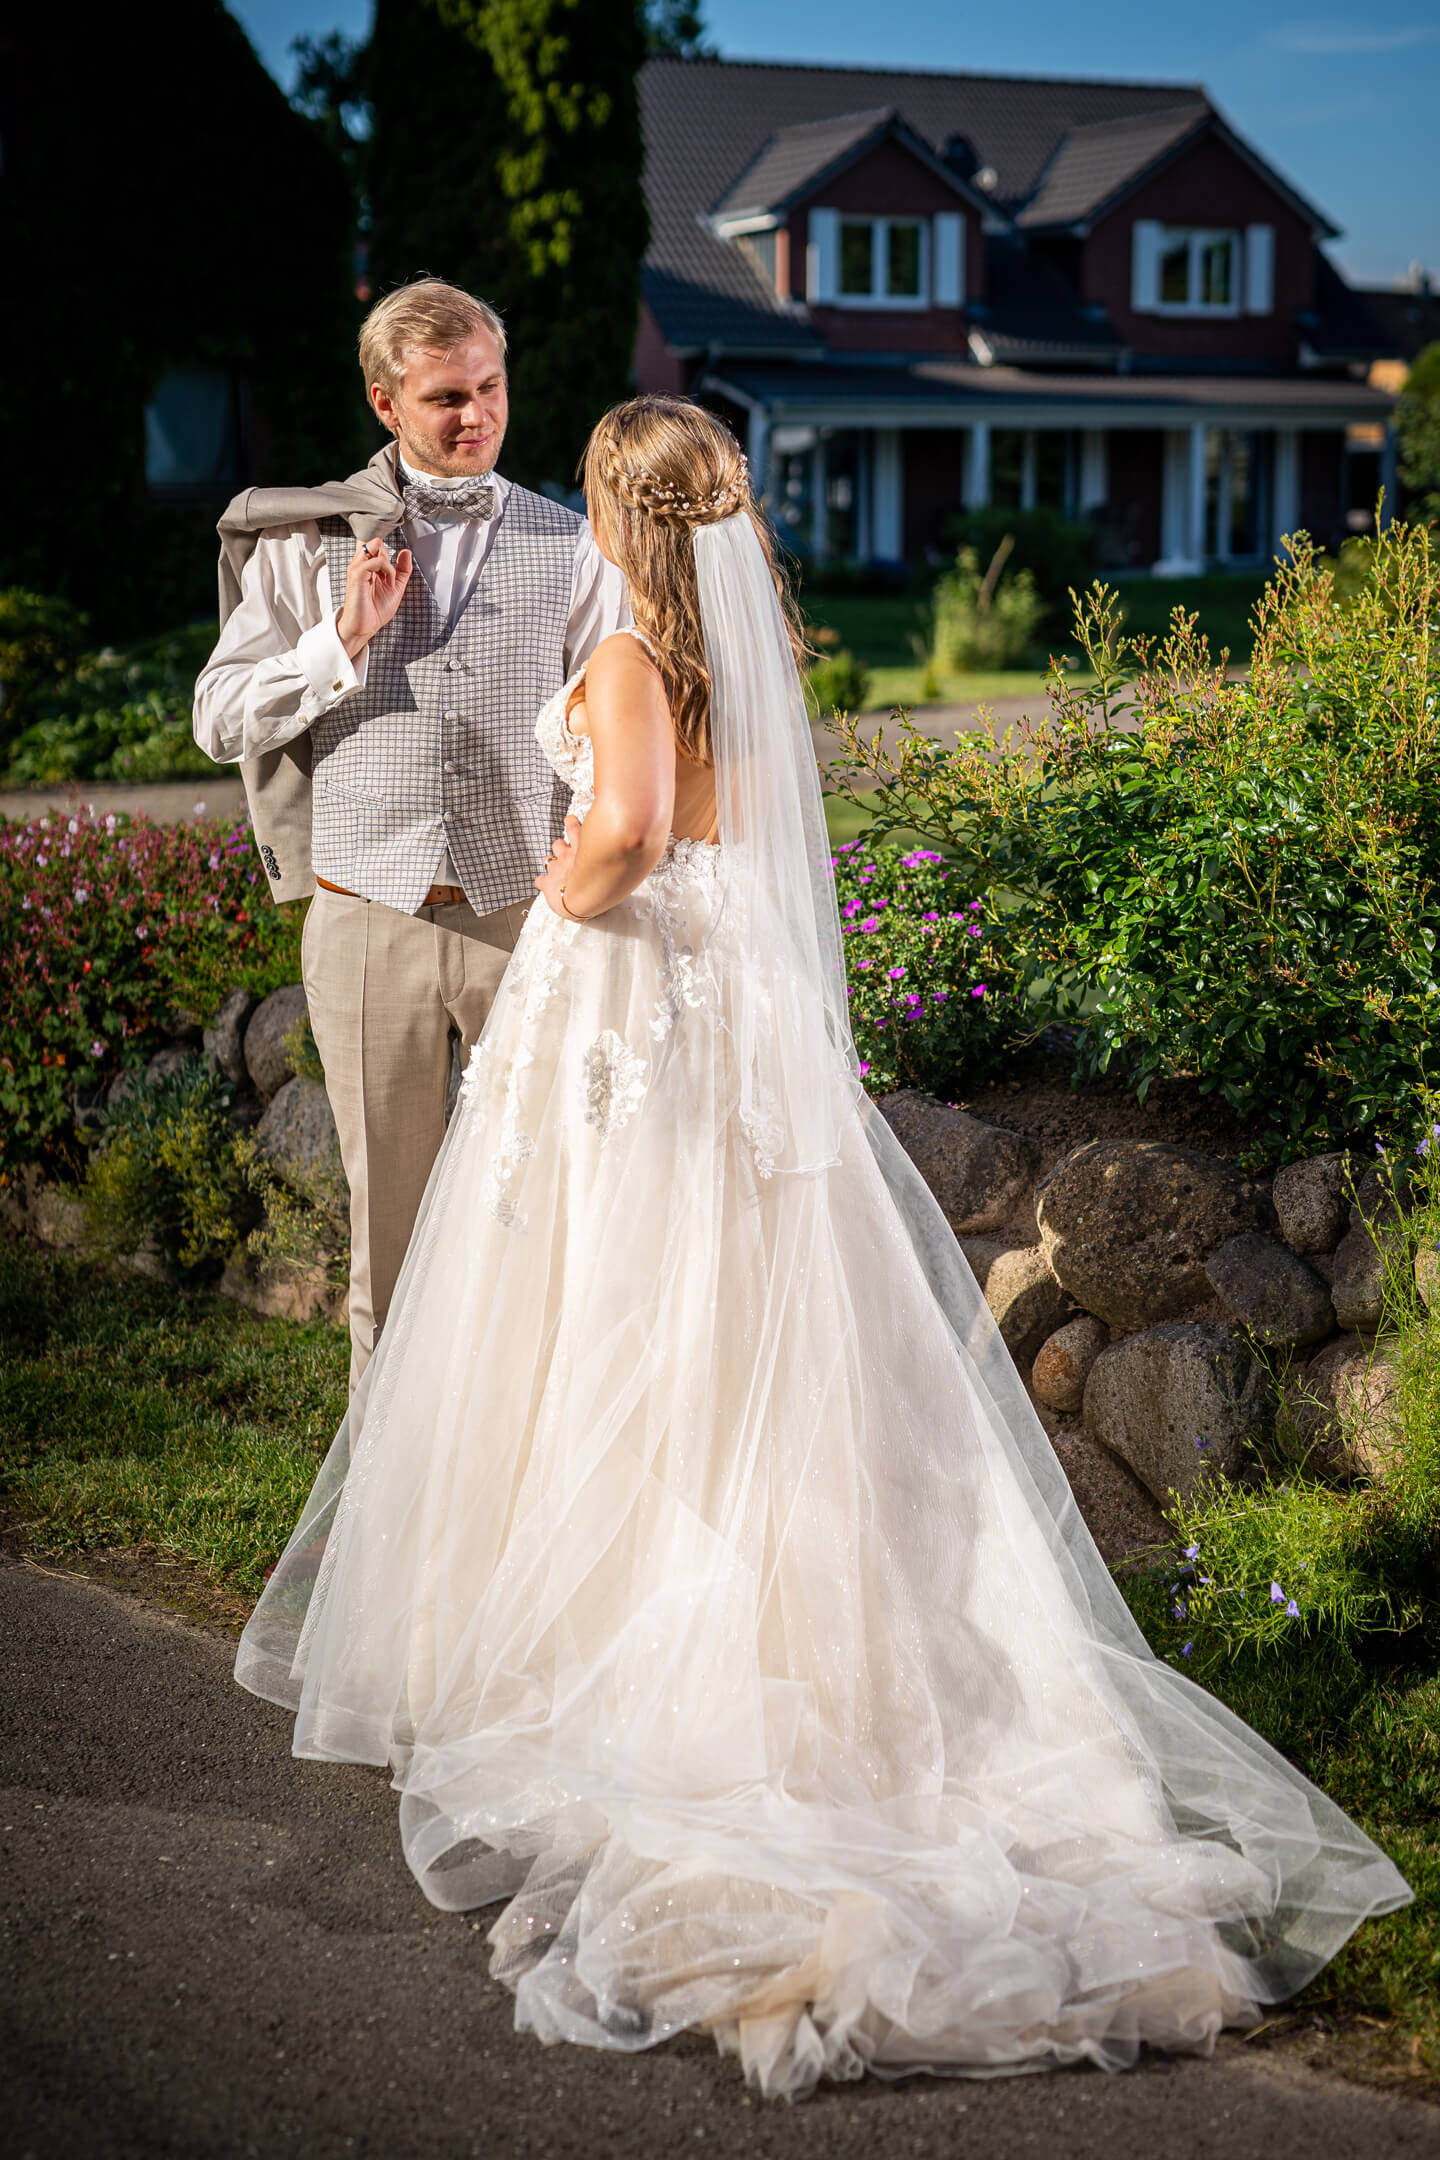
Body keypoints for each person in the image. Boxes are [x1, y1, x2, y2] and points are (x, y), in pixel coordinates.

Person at [235, 396, 1410, 2101]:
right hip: (730, 1027)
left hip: (636, 1010)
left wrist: (560, 889)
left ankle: (647, 1669)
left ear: (628, 524)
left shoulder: (638, 658)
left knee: (623, 1330)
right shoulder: (753, 655)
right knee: (740, 1344)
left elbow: (632, 838)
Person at [194, 282, 627, 1387]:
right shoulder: (307, 545)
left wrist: (581, 861)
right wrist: (338, 641)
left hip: (523, 919)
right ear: (386, 401)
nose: (475, 415)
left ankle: (524, 1483)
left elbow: (612, 732)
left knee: (545, 1217)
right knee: (386, 1244)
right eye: (444, 397)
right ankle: (385, 1515)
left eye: (489, 388)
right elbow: (215, 718)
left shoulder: (571, 544)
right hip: (366, 917)